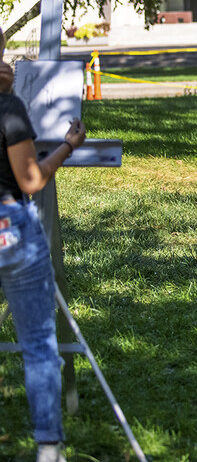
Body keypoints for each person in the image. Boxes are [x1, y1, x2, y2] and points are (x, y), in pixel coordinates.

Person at [0, 28, 87, 462]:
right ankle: (48, 447)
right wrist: (68, 147)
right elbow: (30, 179)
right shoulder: (9, 106)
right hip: (10, 225)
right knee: (37, 342)